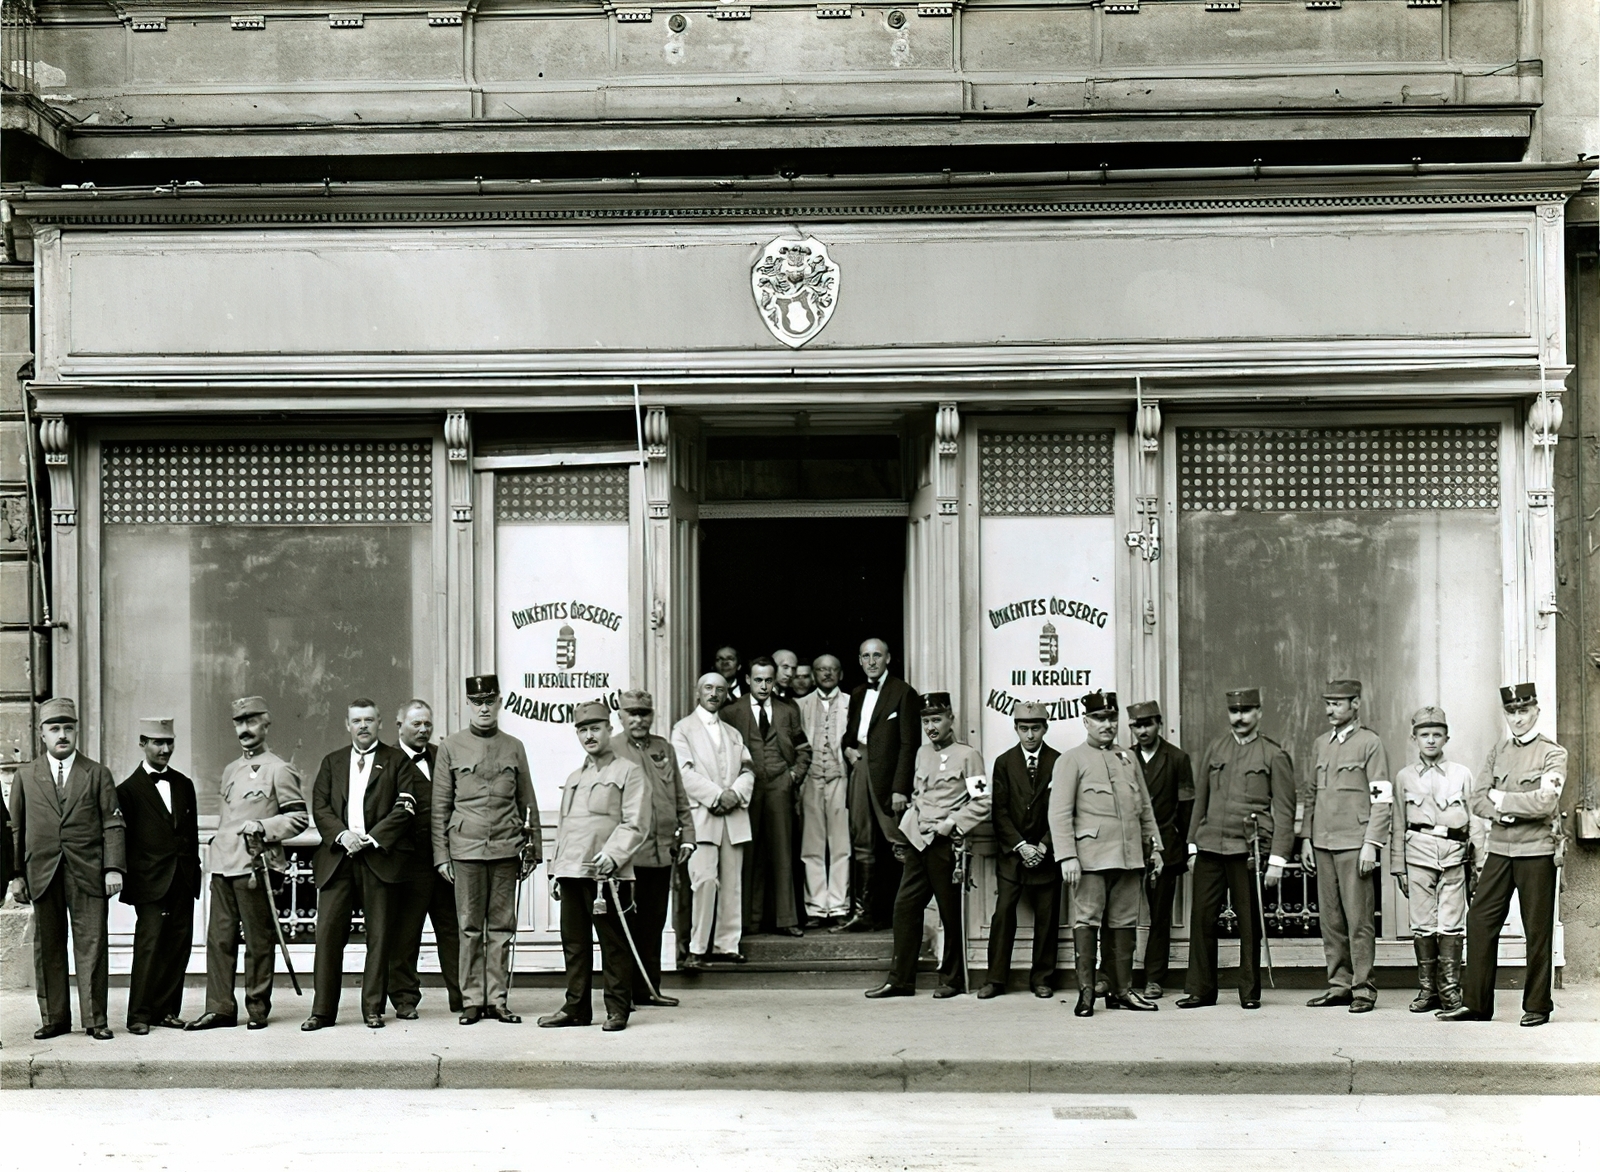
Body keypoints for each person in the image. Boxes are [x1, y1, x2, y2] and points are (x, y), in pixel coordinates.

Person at [1441, 683, 1567, 1027]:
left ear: (1536, 711)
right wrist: (1507, 809)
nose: (1517, 718)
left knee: (1537, 928)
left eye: (1524, 711)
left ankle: (1538, 1005)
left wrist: (1502, 801)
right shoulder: (1499, 751)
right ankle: (1477, 1004)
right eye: (1511, 712)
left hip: (1536, 851)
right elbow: (1478, 799)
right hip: (1499, 849)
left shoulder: (1553, 754)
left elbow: (1546, 802)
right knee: (1480, 920)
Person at [187, 696, 308, 1031]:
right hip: (224, 866)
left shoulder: (279, 769)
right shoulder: (230, 770)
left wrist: (264, 828)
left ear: (265, 725)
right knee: (219, 940)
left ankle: (257, 1007)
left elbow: (298, 817)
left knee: (258, 942)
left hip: (257, 867)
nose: (245, 729)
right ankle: (220, 1008)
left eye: (252, 722)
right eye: (239, 723)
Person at [7, 698, 125, 1040]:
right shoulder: (26, 776)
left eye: (68, 728)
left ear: (77, 732)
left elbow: (112, 825)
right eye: (54, 729)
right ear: (41, 734)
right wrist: (16, 875)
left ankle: (95, 1019)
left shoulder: (97, 773)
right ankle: (55, 1018)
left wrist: (113, 868)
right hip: (41, 872)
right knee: (48, 947)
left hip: (87, 871)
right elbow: (16, 829)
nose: (62, 735)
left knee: (92, 945)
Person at [303, 698, 424, 1031]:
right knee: (327, 936)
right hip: (338, 859)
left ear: (380, 722)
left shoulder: (397, 761)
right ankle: (323, 1011)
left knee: (380, 937)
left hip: (378, 857)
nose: (363, 726)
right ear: (347, 724)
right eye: (357, 721)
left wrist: (370, 838)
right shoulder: (332, 762)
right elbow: (321, 806)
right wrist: (342, 835)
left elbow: (405, 808)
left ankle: (373, 1008)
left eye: (369, 720)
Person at [1176, 687, 1295, 1011]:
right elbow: (1201, 798)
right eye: (1234, 711)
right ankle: (1201, 990)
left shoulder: (1273, 755)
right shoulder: (1216, 748)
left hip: (1248, 850)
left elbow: (1285, 810)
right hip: (1211, 846)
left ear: (1258, 712)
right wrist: (1191, 844)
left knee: (1249, 923)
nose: (1239, 717)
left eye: (1246, 711)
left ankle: (1249, 992)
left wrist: (1278, 860)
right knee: (1201, 919)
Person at [866, 693, 990, 999]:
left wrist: (953, 823)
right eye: (925, 721)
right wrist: (908, 833)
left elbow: (983, 801)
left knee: (950, 914)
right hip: (919, 843)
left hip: (946, 844)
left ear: (950, 719)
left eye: (936, 720)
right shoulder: (922, 753)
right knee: (904, 908)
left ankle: (953, 979)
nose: (931, 727)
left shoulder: (968, 755)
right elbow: (919, 797)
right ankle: (901, 980)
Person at [433, 674, 541, 1025]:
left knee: (501, 928)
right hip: (465, 849)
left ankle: (497, 999)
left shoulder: (515, 746)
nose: (484, 708)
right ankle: (471, 1000)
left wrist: (533, 848)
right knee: (468, 928)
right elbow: (440, 808)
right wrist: (440, 856)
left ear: (499, 703)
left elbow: (527, 800)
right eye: (477, 702)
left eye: (489, 701)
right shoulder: (451, 746)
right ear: (469, 704)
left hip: (506, 849)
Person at [538, 701, 649, 1032]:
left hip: (608, 876)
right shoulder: (574, 778)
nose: (589, 735)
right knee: (574, 945)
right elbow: (565, 826)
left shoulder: (629, 772)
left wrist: (614, 854)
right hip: (572, 872)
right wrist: (556, 870)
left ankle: (617, 1009)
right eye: (583, 730)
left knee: (614, 945)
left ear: (609, 730)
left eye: (595, 728)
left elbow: (636, 822)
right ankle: (576, 1008)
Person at [1049, 690, 1161, 1017]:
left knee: (1125, 923)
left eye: (1112, 718)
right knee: (1087, 921)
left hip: (1128, 858)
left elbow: (1144, 809)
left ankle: (1122, 991)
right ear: (1085, 721)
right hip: (1090, 859)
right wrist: (1067, 856)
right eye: (1099, 718)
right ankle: (1086, 992)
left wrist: (1155, 848)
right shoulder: (1071, 760)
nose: (1107, 724)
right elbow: (1059, 813)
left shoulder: (1128, 758)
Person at [1301, 679, 1392, 1013]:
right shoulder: (1320, 744)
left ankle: (1363, 988)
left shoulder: (1371, 743)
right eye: (1327, 703)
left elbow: (1382, 799)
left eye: (1337, 703)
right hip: (1323, 843)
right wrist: (1307, 839)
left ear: (1356, 704)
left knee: (1359, 920)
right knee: (1331, 920)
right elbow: (1311, 793)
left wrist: (1372, 843)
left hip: (1355, 843)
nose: (1330, 710)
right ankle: (1339, 984)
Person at [1390, 706, 1483, 1014]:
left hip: (1454, 857)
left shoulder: (1462, 774)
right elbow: (1398, 823)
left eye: (1437, 734)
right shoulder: (1404, 777)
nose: (1430, 740)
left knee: (1452, 924)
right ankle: (1428, 989)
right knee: (1422, 924)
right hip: (1417, 856)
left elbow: (1476, 821)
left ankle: (1449, 991)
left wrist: (1479, 862)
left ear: (1446, 737)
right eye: (1424, 735)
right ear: (1414, 738)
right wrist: (1398, 866)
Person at [117, 717, 201, 1034]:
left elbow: (190, 835)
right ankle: (138, 1015)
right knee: (149, 947)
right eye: (157, 742)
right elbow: (124, 842)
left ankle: (166, 1011)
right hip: (151, 883)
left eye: (169, 742)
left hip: (183, 879)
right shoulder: (126, 791)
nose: (165, 749)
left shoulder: (184, 784)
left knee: (179, 946)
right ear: (142, 743)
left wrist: (193, 872)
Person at [615, 689, 696, 1008]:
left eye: (644, 713)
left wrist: (688, 834)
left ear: (652, 715)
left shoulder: (664, 748)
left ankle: (649, 989)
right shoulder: (610, 749)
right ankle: (623, 994)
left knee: (654, 924)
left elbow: (678, 794)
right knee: (625, 929)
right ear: (620, 716)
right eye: (632, 713)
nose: (638, 719)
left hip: (663, 852)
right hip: (628, 856)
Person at [721, 656, 812, 937]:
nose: (763, 686)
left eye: (768, 680)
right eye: (758, 680)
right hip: (746, 788)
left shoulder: (787, 711)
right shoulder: (731, 712)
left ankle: (786, 919)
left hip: (778, 785)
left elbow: (804, 748)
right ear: (748, 679)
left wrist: (793, 776)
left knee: (783, 852)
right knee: (746, 853)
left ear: (774, 681)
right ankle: (747, 921)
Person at [387, 699, 465, 1019]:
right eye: (416, 724)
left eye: (427, 724)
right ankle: (405, 999)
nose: (423, 730)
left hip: (445, 860)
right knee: (406, 935)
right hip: (407, 863)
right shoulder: (387, 760)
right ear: (400, 726)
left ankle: (463, 997)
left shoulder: (441, 755)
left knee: (454, 931)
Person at [673, 673, 757, 967]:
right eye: (708, 688)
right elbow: (683, 774)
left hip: (733, 818)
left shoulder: (733, 733)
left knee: (732, 884)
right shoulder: (682, 730)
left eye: (720, 689)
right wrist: (717, 796)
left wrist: (734, 794)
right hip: (702, 816)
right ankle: (697, 948)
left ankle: (726, 945)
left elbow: (748, 769)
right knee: (705, 881)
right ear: (698, 692)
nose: (714, 694)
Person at [839, 638, 922, 932]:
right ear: (860, 661)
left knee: (898, 841)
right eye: (866, 656)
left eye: (877, 655)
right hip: (860, 769)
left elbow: (909, 744)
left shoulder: (904, 693)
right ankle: (865, 914)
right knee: (861, 840)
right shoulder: (858, 693)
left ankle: (904, 916)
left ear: (888, 658)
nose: (871, 661)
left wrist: (901, 787)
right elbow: (851, 734)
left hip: (889, 778)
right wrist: (847, 748)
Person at [979, 700, 1061, 999]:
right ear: (1015, 728)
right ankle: (995, 979)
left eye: (1035, 728)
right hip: (1013, 854)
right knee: (1003, 914)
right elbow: (999, 811)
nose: (1029, 735)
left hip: (1046, 853)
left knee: (1048, 917)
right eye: (1024, 728)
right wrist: (1021, 845)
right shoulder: (1004, 762)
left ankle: (1042, 978)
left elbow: (1063, 810)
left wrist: (1044, 844)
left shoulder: (1059, 761)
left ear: (1045, 728)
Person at [1126, 701, 1193, 999]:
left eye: (1147, 724)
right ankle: (1118, 976)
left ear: (1159, 724)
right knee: (1120, 914)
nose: (1142, 731)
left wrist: (1182, 845)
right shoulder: (1123, 759)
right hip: (1127, 847)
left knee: (1160, 916)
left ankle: (1154, 978)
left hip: (1164, 848)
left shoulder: (1177, 759)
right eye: (1136, 726)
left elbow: (1186, 808)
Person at [797, 654, 852, 927]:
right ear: (814, 674)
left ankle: (840, 906)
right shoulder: (800, 705)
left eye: (832, 669)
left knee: (841, 844)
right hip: (810, 778)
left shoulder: (851, 704)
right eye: (821, 669)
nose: (827, 674)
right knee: (812, 845)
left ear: (840, 674)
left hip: (839, 777)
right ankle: (816, 908)